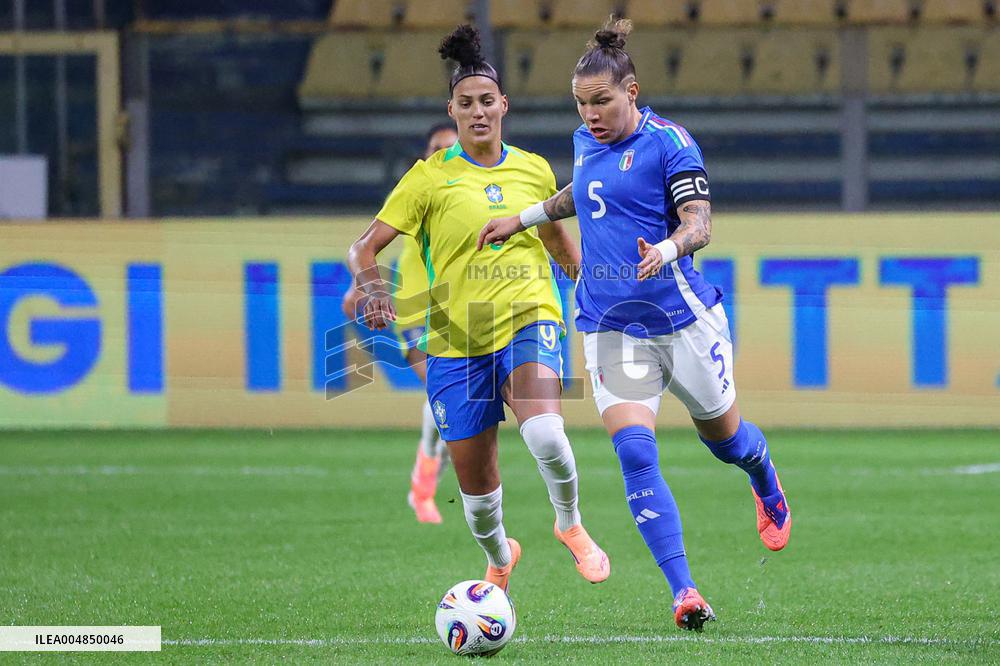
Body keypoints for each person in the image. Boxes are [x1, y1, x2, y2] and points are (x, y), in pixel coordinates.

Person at [478, 19, 791, 629]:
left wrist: (667, 251)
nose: (591, 114)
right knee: (635, 452)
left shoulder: (672, 144)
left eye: (602, 102)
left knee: (725, 442)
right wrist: (523, 218)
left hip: (682, 318)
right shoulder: (584, 140)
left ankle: (764, 476)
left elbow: (699, 222)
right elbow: (586, 193)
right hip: (611, 323)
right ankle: (684, 593)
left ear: (633, 92)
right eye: (581, 104)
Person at [347, 24, 610, 591]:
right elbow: (363, 247)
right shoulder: (427, 179)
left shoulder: (535, 169)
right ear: (453, 110)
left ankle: (571, 526)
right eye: (466, 104)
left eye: (487, 101)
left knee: (546, 435)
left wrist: (590, 291)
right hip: (454, 338)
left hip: (529, 315)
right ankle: (499, 556)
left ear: (504, 106)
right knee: (478, 493)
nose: (478, 112)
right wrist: (371, 289)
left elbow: (557, 241)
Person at [342, 122, 459, 525]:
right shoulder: (416, 192)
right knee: (443, 392)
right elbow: (374, 244)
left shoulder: (473, 195)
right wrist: (360, 288)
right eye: (436, 148)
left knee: (450, 405)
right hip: (414, 313)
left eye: (450, 147)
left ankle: (425, 483)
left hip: (460, 312)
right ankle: (424, 487)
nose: (442, 153)